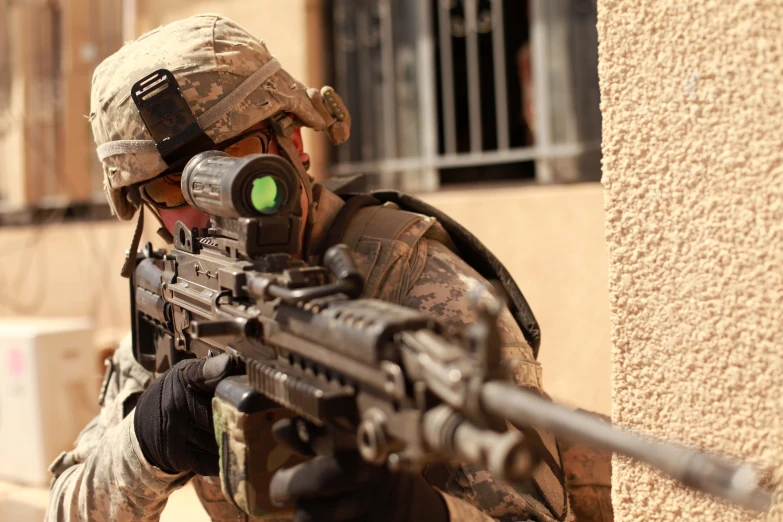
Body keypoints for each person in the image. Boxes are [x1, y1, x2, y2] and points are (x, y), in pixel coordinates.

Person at [45, 14, 610, 522]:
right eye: (169, 187)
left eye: (237, 157)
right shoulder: (184, 294)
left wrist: (427, 516)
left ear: (295, 143)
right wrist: (143, 447)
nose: (204, 206)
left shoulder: (424, 288)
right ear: (144, 205)